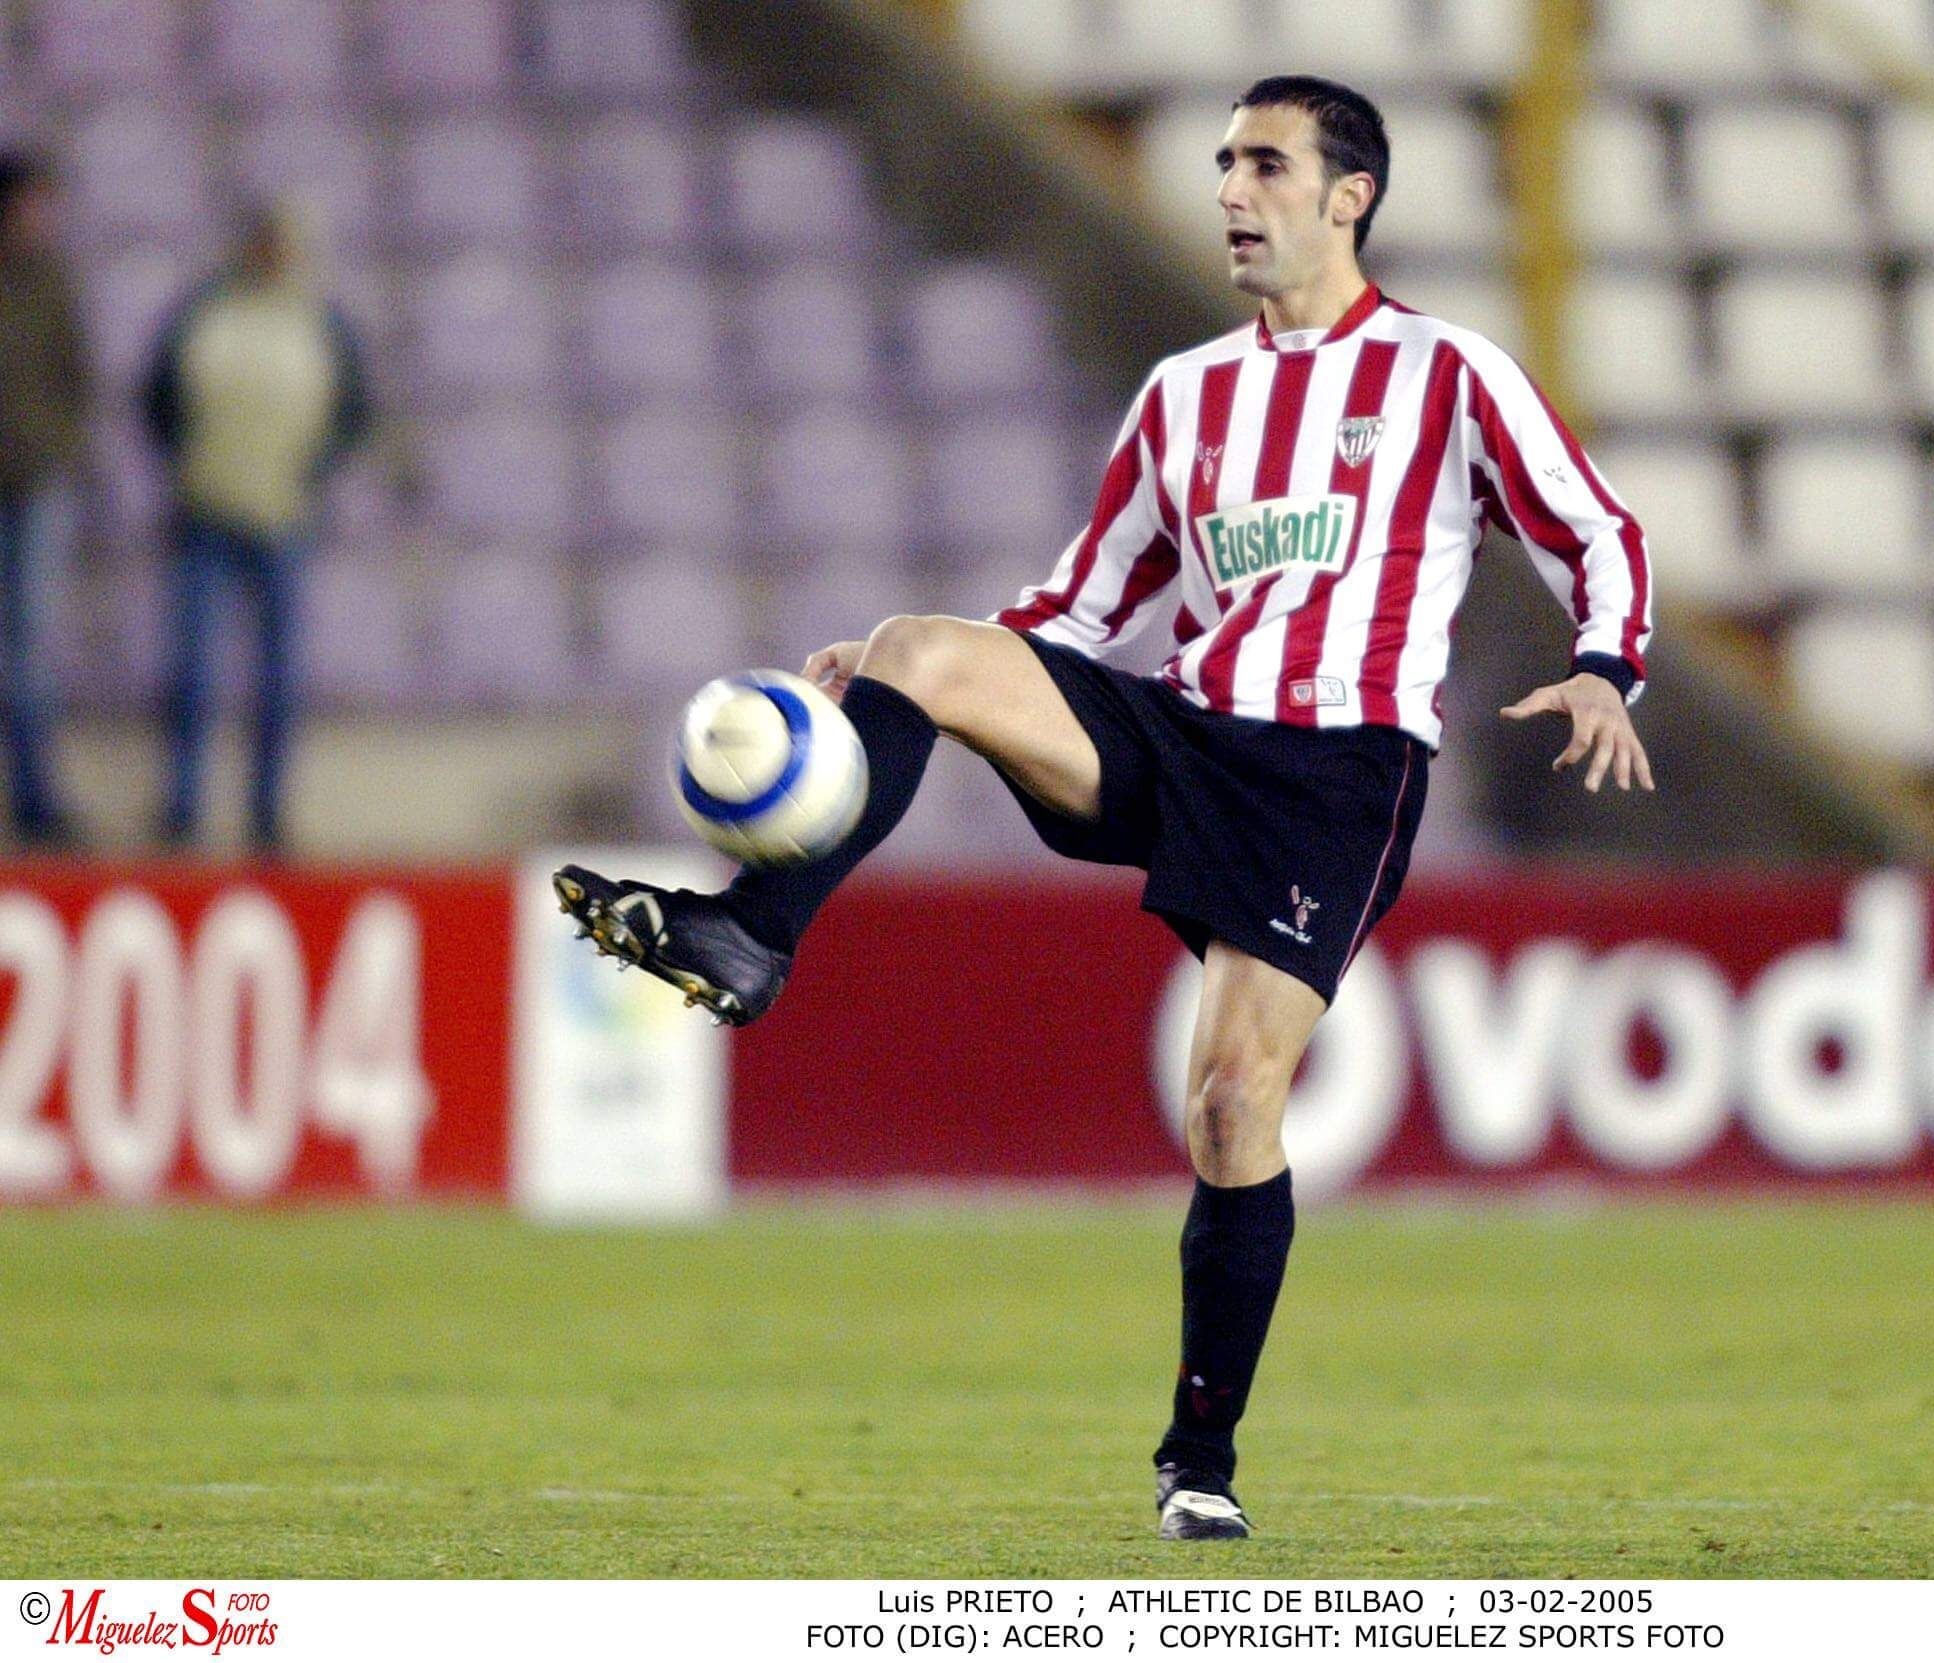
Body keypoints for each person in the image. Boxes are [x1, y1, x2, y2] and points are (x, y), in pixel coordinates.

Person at [555, 76, 1655, 1539]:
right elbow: (1082, 604)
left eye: (1264, 164)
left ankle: (1198, 1457)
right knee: (923, 642)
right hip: (1182, 731)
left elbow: (1596, 531)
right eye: (1220, 164)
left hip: (1335, 772)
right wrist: (904, 674)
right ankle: (753, 934)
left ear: (1349, 195)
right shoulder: (1183, 394)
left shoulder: (1447, 374)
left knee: (1229, 1101)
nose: (1228, 191)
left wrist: (1602, 670)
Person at [140, 202, 370, 853]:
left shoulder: (322, 322)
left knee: (279, 676)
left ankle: (267, 812)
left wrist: (309, 473)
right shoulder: (205, 312)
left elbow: (354, 410)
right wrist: (189, 462)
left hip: (284, 517)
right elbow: (157, 397)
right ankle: (182, 807)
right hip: (204, 510)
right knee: (193, 670)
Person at [0, 149, 90, 847]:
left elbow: (77, 379)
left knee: (30, 647)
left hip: (34, 486)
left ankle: (35, 796)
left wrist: (55, 451)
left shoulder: (51, 283)